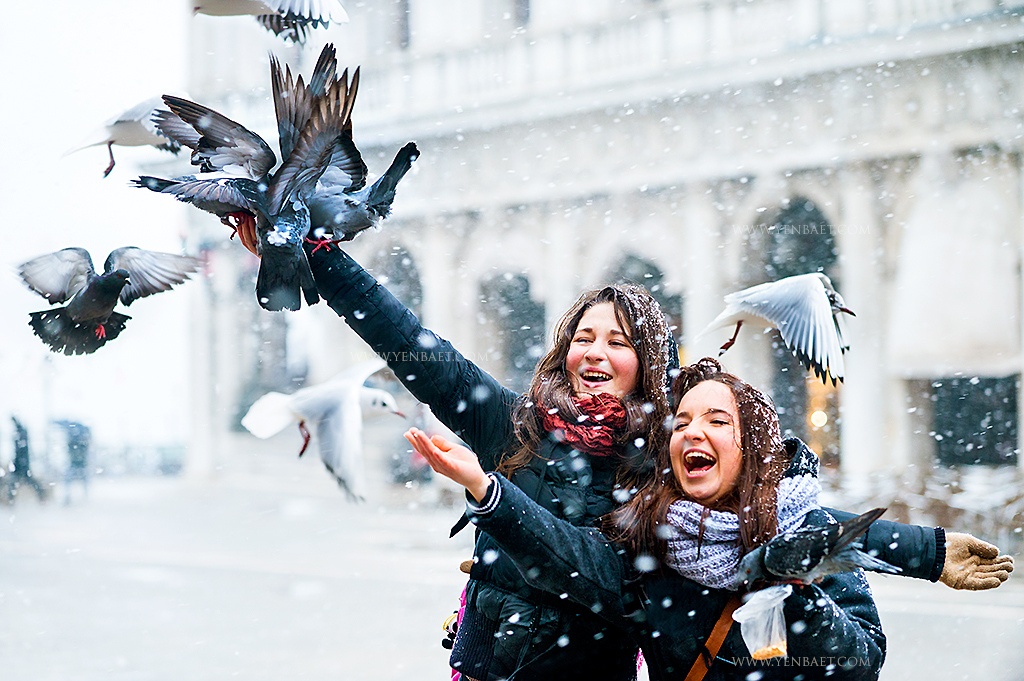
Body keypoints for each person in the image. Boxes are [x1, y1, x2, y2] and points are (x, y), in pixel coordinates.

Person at [251, 238, 1008, 680]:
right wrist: (317, 257)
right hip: (489, 667)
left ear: (648, 362)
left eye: (617, 341)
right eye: (584, 335)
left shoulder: (661, 470)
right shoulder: (515, 422)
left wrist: (927, 550)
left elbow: (786, 521)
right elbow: (410, 344)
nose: (594, 352)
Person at [407, 358, 1010, 679]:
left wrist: (790, 590)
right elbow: (569, 556)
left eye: (718, 420)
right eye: (684, 421)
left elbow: (858, 666)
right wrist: (488, 493)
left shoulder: (812, 536)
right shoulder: (650, 552)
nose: (695, 430)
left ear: (752, 449)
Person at [6, 416, 47, 503]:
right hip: (20, 462)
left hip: (21, 463)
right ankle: (41, 495)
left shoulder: (20, 433)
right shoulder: (20, 433)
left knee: (20, 482)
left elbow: (21, 450)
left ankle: (11, 500)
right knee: (24, 482)